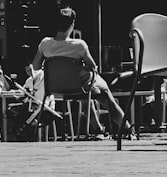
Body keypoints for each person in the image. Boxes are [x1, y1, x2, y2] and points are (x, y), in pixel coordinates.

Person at [32, 7, 128, 137]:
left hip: (55, 88)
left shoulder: (45, 44)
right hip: (78, 86)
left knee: (85, 91)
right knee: (100, 90)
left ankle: (97, 128)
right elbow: (93, 66)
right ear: (72, 25)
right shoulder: (79, 45)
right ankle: (126, 127)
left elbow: (35, 66)